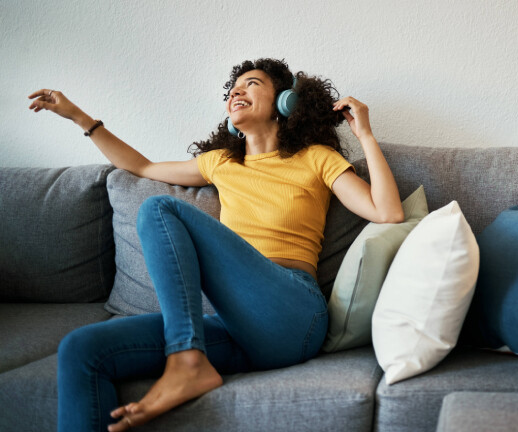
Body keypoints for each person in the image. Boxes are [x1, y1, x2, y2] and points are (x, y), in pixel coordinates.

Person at [28, 58, 404, 432]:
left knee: (159, 209)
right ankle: (189, 354)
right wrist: (79, 117)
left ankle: (186, 360)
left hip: (292, 314)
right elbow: (141, 167)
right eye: (233, 88)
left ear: (286, 101)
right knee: (81, 350)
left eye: (252, 84)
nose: (237, 91)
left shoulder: (317, 158)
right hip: (233, 328)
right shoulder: (220, 162)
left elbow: (387, 213)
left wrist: (365, 135)